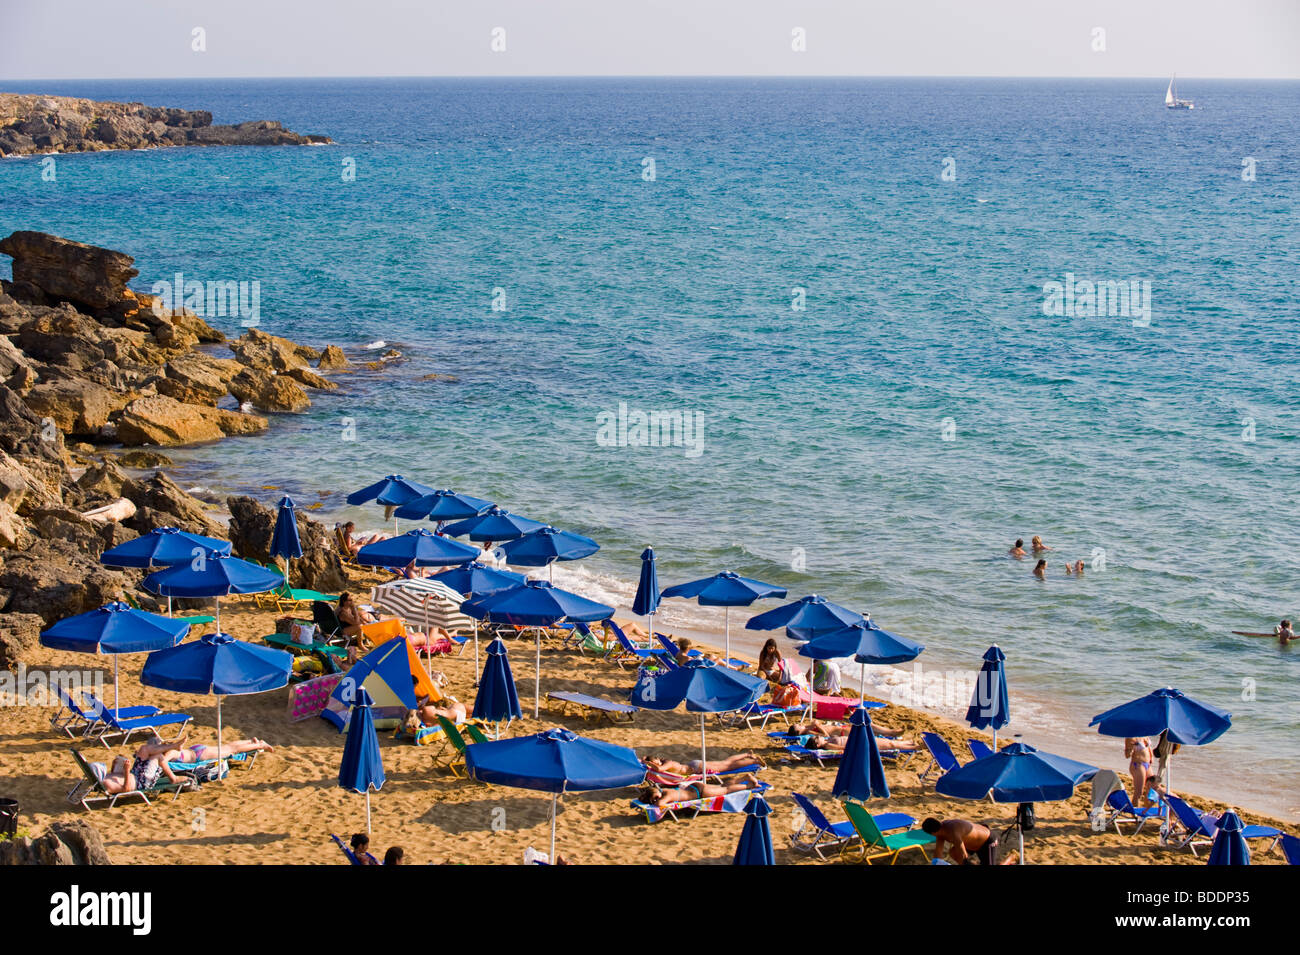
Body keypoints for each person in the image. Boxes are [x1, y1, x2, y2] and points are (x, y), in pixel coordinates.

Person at [921, 817, 1014, 865]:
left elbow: (964, 855)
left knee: (960, 856)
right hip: (972, 843)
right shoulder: (940, 832)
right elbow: (937, 856)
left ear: (932, 833)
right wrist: (936, 862)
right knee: (953, 852)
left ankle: (1011, 858)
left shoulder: (953, 831)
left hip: (987, 840)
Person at [637, 774, 761, 809]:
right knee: (722, 786)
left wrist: (653, 801)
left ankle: (748, 786)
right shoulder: (664, 790)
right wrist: (649, 797)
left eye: (654, 797)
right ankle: (744, 778)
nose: (656, 799)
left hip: (700, 793)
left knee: (726, 790)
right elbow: (657, 797)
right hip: (695, 787)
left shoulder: (667, 796)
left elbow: (659, 804)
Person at [644, 753, 761, 778]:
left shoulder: (667, 763)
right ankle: (748, 755)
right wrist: (645, 761)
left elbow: (659, 768)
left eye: (655, 762)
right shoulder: (664, 763)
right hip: (695, 766)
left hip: (697, 767)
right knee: (725, 763)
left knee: (728, 766)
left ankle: (754, 761)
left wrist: (647, 763)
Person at [1125, 736, 1156, 804]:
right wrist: (1131, 749)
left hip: (1148, 765)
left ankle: (1145, 810)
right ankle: (1134, 812)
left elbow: (1148, 748)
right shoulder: (1130, 737)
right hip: (1138, 765)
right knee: (1139, 792)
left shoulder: (1145, 735)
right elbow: (1127, 755)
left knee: (1151, 790)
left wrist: (1151, 757)